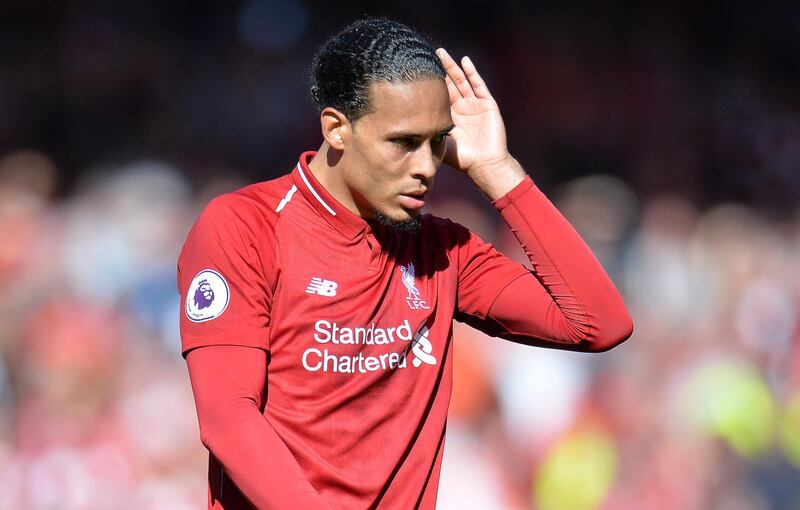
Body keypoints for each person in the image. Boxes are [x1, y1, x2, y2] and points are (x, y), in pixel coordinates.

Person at [178, 17, 633, 509]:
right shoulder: (246, 227)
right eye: (403, 142)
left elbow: (597, 324)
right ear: (337, 129)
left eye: (437, 142)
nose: (425, 167)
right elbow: (229, 417)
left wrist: (497, 171)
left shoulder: (441, 251)